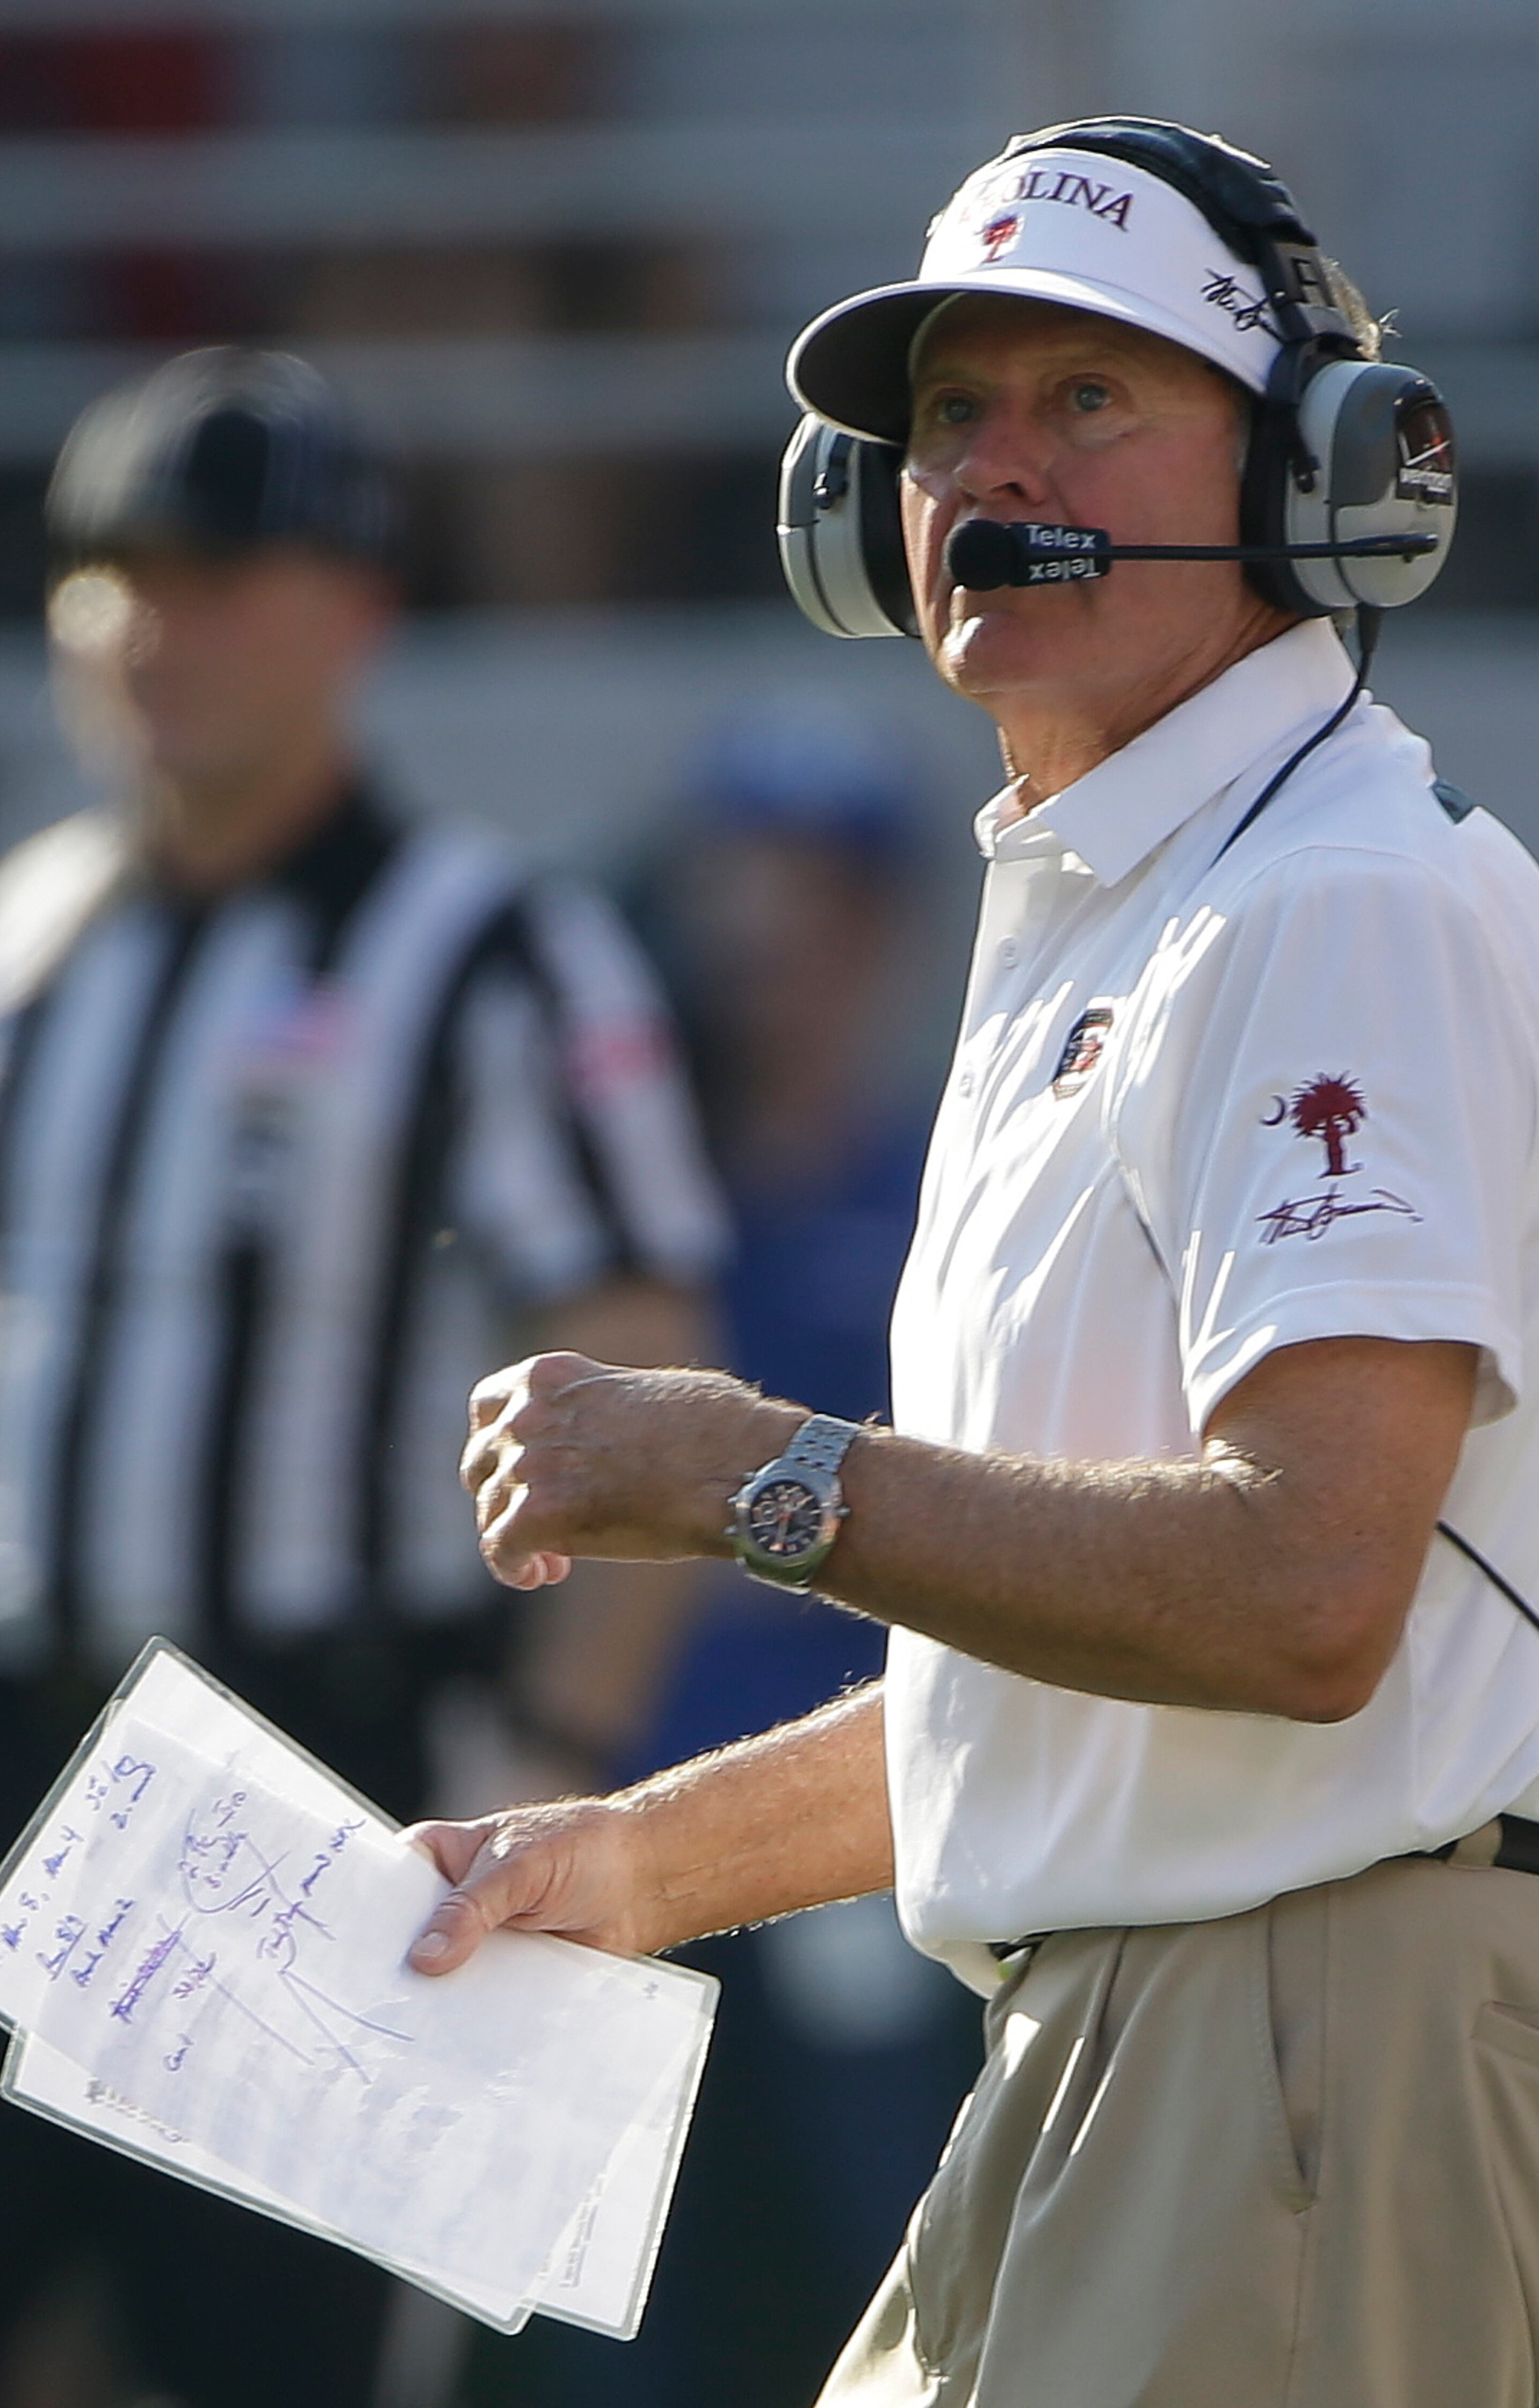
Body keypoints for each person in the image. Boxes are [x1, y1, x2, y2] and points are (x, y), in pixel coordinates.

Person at [402, 120, 1539, 2408]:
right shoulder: (1157, 904)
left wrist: (754, 1475)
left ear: (1324, 471)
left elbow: (1301, 1588)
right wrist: (632, 1862)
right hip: (1156, 2007)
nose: (996, 468)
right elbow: (1072, 1676)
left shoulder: (1331, 900)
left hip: (1325, 1998)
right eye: (947, 418)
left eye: (1089, 397)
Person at [0, 347, 724, 2408]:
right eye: (110, 573)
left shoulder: (489, 952)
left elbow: (644, 1371)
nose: (153, 624)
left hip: (312, 1775)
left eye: (217, 573)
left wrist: (554, 1768)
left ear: (357, 610)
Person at [512, 702, 979, 2408]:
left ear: (886, 928)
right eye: (743, 882)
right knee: (609, 2315)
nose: (773, 932)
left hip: (865, 1822)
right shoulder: (611, 1190)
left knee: (910, 2256)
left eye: (823, 890)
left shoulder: (952, 1187)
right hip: (613, 1814)